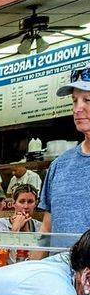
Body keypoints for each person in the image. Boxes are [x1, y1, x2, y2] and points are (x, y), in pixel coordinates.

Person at [37, 67, 90, 238]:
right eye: (74, 101)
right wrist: (34, 265)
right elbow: (46, 230)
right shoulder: (59, 166)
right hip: (59, 264)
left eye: (87, 100)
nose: (77, 109)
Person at [0, 184, 42, 262]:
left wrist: (26, 232)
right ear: (14, 203)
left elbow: (37, 260)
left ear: (36, 204)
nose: (26, 206)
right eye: (21, 201)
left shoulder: (39, 227)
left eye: (30, 202)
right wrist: (14, 230)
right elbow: (3, 260)